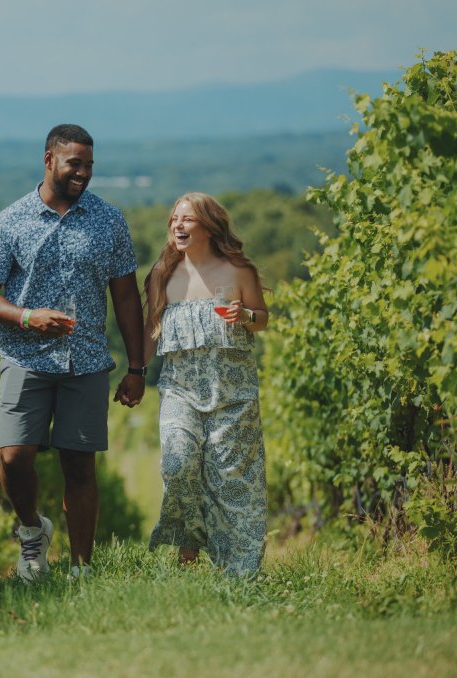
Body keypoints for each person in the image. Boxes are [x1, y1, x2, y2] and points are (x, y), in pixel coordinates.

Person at [0, 123, 147, 582]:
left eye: (89, 165)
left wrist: (137, 366)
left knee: (79, 464)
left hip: (86, 360)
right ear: (49, 160)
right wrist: (28, 317)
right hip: (24, 357)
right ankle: (32, 531)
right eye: (75, 164)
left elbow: (126, 296)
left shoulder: (109, 220)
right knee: (13, 457)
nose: (83, 173)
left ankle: (81, 569)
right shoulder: (9, 222)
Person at [142, 192, 269, 576]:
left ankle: (238, 568)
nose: (177, 226)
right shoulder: (161, 275)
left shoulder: (238, 272)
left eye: (187, 220)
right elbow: (152, 333)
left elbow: (261, 319)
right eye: (174, 220)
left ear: (209, 228)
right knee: (178, 463)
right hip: (179, 391)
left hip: (234, 396)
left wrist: (244, 314)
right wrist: (134, 374)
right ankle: (189, 541)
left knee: (232, 482)